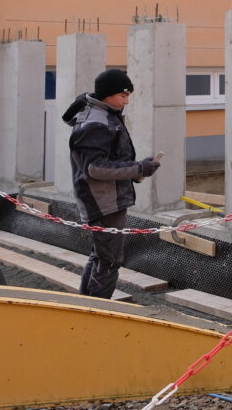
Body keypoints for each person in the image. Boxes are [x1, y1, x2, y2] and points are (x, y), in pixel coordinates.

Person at [62, 68, 161, 299]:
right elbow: (95, 168)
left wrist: (137, 170)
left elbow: (110, 160)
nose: (126, 101)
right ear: (107, 95)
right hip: (103, 201)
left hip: (104, 197)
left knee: (100, 256)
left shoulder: (103, 115)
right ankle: (97, 313)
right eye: (123, 95)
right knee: (109, 260)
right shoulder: (97, 123)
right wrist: (138, 168)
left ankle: (86, 307)